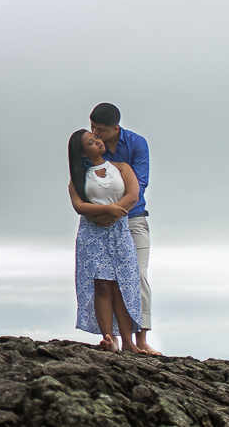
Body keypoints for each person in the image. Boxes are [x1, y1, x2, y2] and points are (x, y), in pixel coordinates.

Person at [89, 102, 160, 355]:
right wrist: (105, 213)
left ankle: (141, 340)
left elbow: (139, 184)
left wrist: (116, 210)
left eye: (101, 130)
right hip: (102, 222)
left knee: (137, 275)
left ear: (115, 128)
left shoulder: (136, 143)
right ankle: (114, 339)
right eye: (92, 127)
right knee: (109, 281)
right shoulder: (90, 147)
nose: (96, 134)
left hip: (134, 218)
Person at [67, 128, 143, 352]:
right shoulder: (78, 178)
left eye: (97, 138)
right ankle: (108, 339)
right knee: (101, 286)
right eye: (91, 142)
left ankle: (129, 343)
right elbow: (79, 206)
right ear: (82, 153)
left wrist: (112, 213)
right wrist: (107, 210)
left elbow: (133, 195)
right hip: (92, 234)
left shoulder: (121, 168)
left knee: (123, 285)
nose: (98, 142)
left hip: (119, 230)